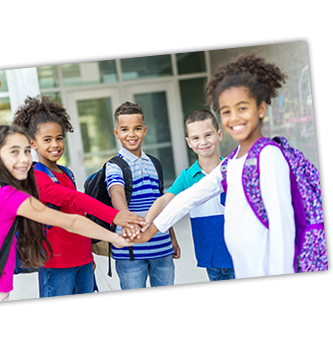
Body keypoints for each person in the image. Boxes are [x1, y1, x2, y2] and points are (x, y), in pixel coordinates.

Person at [138, 53, 303, 278]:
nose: (234, 117)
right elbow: (190, 198)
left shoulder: (268, 157)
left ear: (260, 109)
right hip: (241, 265)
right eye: (226, 111)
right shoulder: (233, 163)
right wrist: (149, 230)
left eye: (242, 108)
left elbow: (283, 228)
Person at [11, 95, 146, 297]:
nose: (55, 144)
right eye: (47, 140)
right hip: (56, 263)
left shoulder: (66, 173)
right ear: (33, 143)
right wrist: (115, 215)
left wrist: (89, 256)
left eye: (59, 138)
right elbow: (74, 199)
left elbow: (78, 214)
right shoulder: (36, 178)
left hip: (83, 260)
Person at [0, 125, 131, 302]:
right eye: (14, 152)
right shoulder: (6, 195)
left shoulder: (8, 192)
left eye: (26, 151)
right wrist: (115, 232)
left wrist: (110, 240)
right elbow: (72, 212)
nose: (24, 159)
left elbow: (73, 218)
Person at [143, 110, 234, 281]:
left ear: (219, 134)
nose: (203, 142)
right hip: (210, 257)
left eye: (208, 135)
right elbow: (165, 199)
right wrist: (145, 223)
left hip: (238, 253)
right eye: (196, 138)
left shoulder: (233, 169)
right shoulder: (187, 176)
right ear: (189, 143)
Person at [103, 101, 179, 290]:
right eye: (124, 129)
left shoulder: (154, 163)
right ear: (116, 133)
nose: (131, 134)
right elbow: (116, 191)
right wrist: (126, 220)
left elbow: (162, 202)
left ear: (144, 131)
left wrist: (172, 237)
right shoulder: (114, 166)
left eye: (137, 128)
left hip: (162, 247)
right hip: (130, 251)